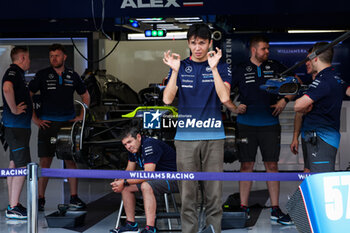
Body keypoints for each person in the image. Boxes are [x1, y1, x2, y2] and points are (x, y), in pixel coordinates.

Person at [162, 23, 231, 233]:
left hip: (214, 137)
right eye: (193, 43)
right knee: (187, 195)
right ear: (188, 44)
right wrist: (174, 71)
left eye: (202, 43)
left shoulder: (221, 66)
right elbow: (167, 99)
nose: (198, 47)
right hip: (185, 138)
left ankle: (213, 230)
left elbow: (225, 97)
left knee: (214, 194)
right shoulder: (180, 66)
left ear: (210, 43)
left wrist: (213, 68)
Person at [231, 35, 293, 225]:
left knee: (272, 166)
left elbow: (295, 84)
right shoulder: (240, 69)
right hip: (246, 124)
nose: (267, 52)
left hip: (269, 124)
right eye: (264, 49)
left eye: (268, 49)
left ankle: (275, 209)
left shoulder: (275, 66)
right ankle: (243, 208)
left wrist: (285, 99)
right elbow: (223, 92)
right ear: (253, 50)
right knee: (246, 166)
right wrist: (234, 106)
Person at [28, 43, 90, 211]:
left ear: (64, 57)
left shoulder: (72, 75)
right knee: (45, 162)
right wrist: (35, 118)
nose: (54, 59)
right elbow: (29, 95)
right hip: (47, 125)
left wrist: (81, 117)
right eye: (51, 56)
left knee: (70, 161)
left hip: (68, 125)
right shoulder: (42, 75)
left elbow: (85, 95)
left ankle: (74, 198)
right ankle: (40, 199)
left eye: (57, 55)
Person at [109, 127, 178, 233]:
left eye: (129, 142)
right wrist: (120, 180)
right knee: (126, 188)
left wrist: (125, 181)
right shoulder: (133, 149)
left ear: (138, 137)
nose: (128, 146)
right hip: (157, 179)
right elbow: (129, 170)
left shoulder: (149, 144)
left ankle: (150, 229)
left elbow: (148, 174)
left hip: (174, 179)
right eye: (125, 144)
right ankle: (131, 225)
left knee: (146, 185)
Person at [294, 42, 346, 172]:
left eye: (309, 58)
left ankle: (297, 194)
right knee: (311, 177)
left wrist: (303, 106)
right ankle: (298, 194)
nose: (308, 61)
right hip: (315, 137)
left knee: (320, 181)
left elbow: (297, 105)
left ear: (315, 58)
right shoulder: (334, 78)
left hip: (322, 138)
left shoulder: (324, 80)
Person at [2, 46, 32, 219]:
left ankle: (13, 204)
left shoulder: (17, 74)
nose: (29, 62)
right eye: (28, 58)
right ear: (21, 58)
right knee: (21, 166)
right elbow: (7, 88)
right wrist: (13, 110)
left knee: (14, 164)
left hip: (17, 127)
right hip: (16, 127)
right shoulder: (13, 72)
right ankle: (13, 207)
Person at [290, 48, 317, 173]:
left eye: (310, 59)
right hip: (308, 135)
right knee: (307, 169)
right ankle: (304, 193)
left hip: (325, 135)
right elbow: (298, 114)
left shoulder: (331, 81)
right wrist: (295, 137)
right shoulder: (306, 87)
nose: (307, 63)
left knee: (321, 170)